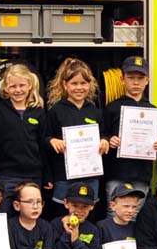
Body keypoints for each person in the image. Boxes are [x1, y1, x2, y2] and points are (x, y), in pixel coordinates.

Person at [44, 58, 109, 217]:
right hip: (64, 176)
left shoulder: (95, 111)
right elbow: (45, 137)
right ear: (65, 85)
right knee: (63, 214)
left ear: (90, 84)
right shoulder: (56, 111)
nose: (79, 88)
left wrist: (104, 141)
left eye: (83, 83)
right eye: (74, 83)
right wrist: (52, 140)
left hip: (90, 175)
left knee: (87, 215)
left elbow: (104, 133)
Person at [104, 55, 157, 204]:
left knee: (137, 215)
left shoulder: (153, 111)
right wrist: (108, 140)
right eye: (131, 77)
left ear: (147, 80)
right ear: (122, 79)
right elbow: (102, 135)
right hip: (116, 173)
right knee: (114, 214)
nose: (136, 82)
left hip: (142, 175)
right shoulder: (112, 108)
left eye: (140, 78)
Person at [0, 63, 47, 204]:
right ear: (5, 88)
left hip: (33, 175)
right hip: (6, 175)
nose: (18, 90)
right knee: (5, 215)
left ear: (30, 85)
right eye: (13, 86)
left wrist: (48, 175)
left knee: (31, 215)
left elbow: (43, 145)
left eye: (22, 85)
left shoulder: (38, 112)